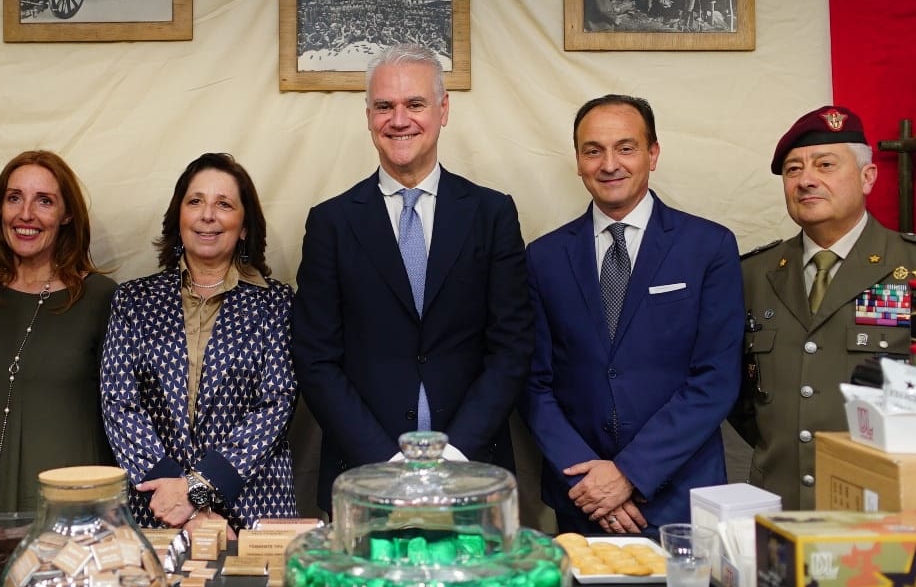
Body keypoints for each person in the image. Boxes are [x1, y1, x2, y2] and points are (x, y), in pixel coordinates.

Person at [292, 43, 533, 507]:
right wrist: (388, 464)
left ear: (444, 110)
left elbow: (512, 347)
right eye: (384, 106)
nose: (399, 119)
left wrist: (456, 455)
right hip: (364, 477)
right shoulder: (331, 223)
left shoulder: (491, 213)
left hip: (473, 475)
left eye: (415, 104)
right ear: (368, 116)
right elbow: (316, 359)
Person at [523, 96, 743, 534]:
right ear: (578, 161)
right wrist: (590, 481)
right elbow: (534, 384)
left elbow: (715, 379)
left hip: (677, 496)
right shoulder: (543, 257)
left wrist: (629, 474)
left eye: (625, 147)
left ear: (652, 154)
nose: (609, 164)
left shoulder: (709, 247)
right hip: (581, 499)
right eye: (593, 150)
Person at [734, 105, 916, 509]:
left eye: (825, 164)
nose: (806, 181)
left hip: (888, 505)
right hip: (778, 506)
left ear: (868, 177)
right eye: (793, 170)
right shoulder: (752, 275)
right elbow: (741, 399)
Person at [101, 153, 298, 529]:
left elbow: (277, 402)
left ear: (243, 226)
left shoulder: (277, 302)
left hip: (252, 505)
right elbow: (118, 403)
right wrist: (175, 500)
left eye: (224, 204)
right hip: (156, 507)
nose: (208, 215)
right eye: (195, 202)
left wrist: (197, 490)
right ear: (179, 217)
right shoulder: (132, 300)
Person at [0, 150, 117, 515]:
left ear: (67, 214)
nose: (25, 214)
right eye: (14, 197)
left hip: (75, 506)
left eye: (44, 201)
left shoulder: (103, 299)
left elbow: (125, 415)